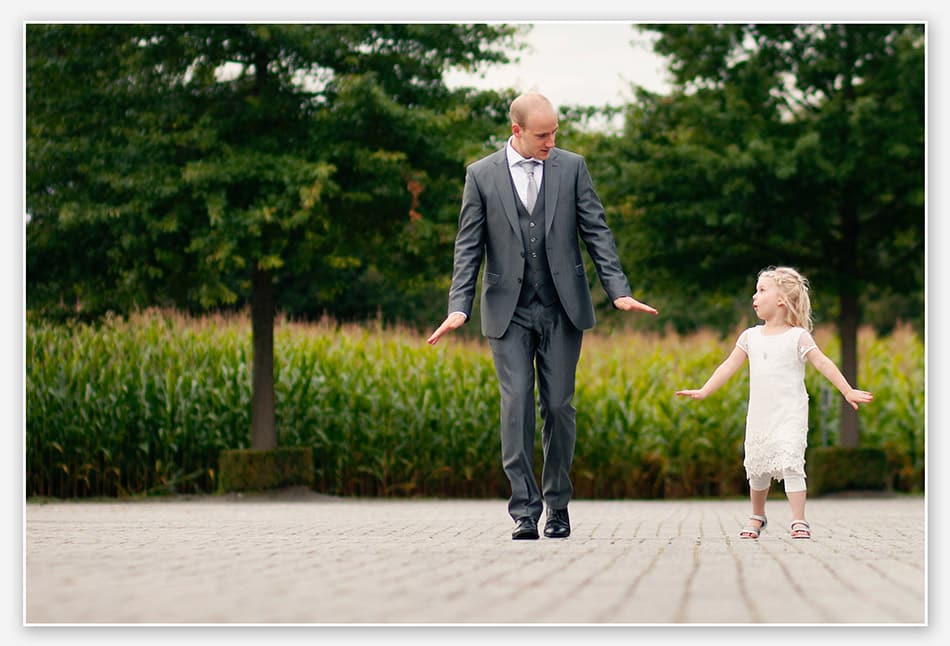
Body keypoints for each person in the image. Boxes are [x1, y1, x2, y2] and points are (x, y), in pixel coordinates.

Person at [427, 93, 657, 540]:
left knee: (557, 406)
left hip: (561, 307)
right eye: (542, 134)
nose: (552, 141)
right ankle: (524, 511)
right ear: (516, 131)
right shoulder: (480, 175)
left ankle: (557, 506)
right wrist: (458, 306)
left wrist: (619, 290)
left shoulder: (572, 167)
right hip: (506, 311)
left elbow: (597, 231)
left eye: (555, 132)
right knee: (516, 406)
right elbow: (468, 245)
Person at [676, 266, 873, 539]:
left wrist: (847, 390)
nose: (754, 296)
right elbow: (728, 366)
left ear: (781, 299)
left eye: (761, 290)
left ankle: (799, 520)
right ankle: (757, 515)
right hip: (761, 414)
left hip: (790, 412)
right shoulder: (750, 337)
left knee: (792, 462)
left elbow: (823, 363)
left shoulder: (798, 337)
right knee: (757, 466)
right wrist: (705, 390)